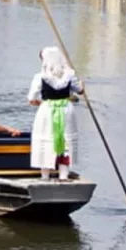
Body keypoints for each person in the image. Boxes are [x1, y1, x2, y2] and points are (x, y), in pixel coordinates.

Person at [28, 46, 82, 179]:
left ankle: (45, 176)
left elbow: (31, 98)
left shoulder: (40, 77)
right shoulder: (69, 75)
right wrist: (81, 84)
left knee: (47, 142)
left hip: (47, 111)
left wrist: (37, 102)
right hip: (66, 109)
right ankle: (64, 175)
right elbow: (80, 90)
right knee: (64, 141)